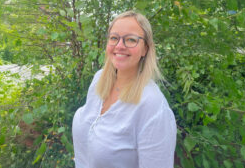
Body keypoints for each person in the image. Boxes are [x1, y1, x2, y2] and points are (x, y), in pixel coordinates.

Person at [72, 10, 177, 168]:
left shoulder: (152, 105)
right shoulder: (99, 80)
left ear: (145, 49)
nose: (119, 46)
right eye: (114, 38)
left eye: (131, 40)